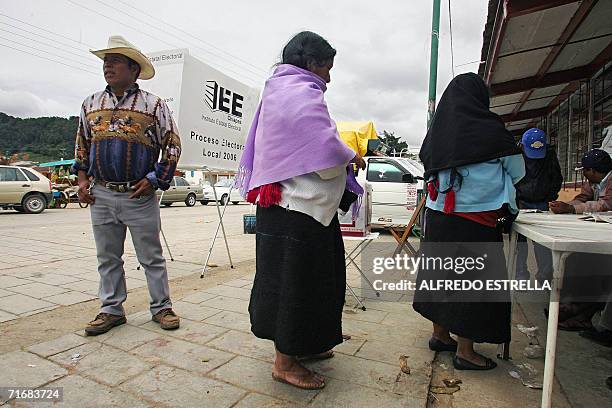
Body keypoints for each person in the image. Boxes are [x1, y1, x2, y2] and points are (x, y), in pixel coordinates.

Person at [235, 31, 366, 390]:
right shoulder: (300, 94)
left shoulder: (280, 91)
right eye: (327, 67)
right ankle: (285, 363)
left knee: (314, 282)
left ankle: (303, 345)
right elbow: (322, 153)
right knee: (294, 285)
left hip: (295, 210)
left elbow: (312, 145)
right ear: (311, 63)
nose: (329, 77)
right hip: (297, 211)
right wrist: (351, 156)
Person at [413, 73, 525, 371]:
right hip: (475, 220)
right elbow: (517, 170)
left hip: (438, 217)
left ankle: (440, 335)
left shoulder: (436, 135)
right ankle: (465, 351)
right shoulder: (491, 130)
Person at [74, 36, 182, 335]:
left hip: (139, 195)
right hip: (102, 194)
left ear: (134, 69)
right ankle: (111, 310)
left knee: (151, 256)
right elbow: (82, 145)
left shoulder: (153, 104)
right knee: (107, 257)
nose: (107, 65)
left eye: (115, 60)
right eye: (105, 61)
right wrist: (82, 181)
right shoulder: (90, 103)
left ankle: (161, 307)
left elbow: (172, 146)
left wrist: (153, 180)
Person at [514, 128, 562, 283]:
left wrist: (550, 198)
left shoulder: (549, 155)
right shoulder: (516, 155)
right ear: (522, 145)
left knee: (542, 242)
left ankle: (545, 275)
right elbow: (510, 178)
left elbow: (556, 179)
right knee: (519, 242)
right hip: (521, 202)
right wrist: (515, 200)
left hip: (543, 203)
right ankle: (521, 274)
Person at [549, 148, 612, 214]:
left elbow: (607, 205)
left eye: (584, 170)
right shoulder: (593, 182)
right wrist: (562, 205)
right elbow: (582, 199)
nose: (583, 174)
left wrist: (571, 208)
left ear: (592, 170)